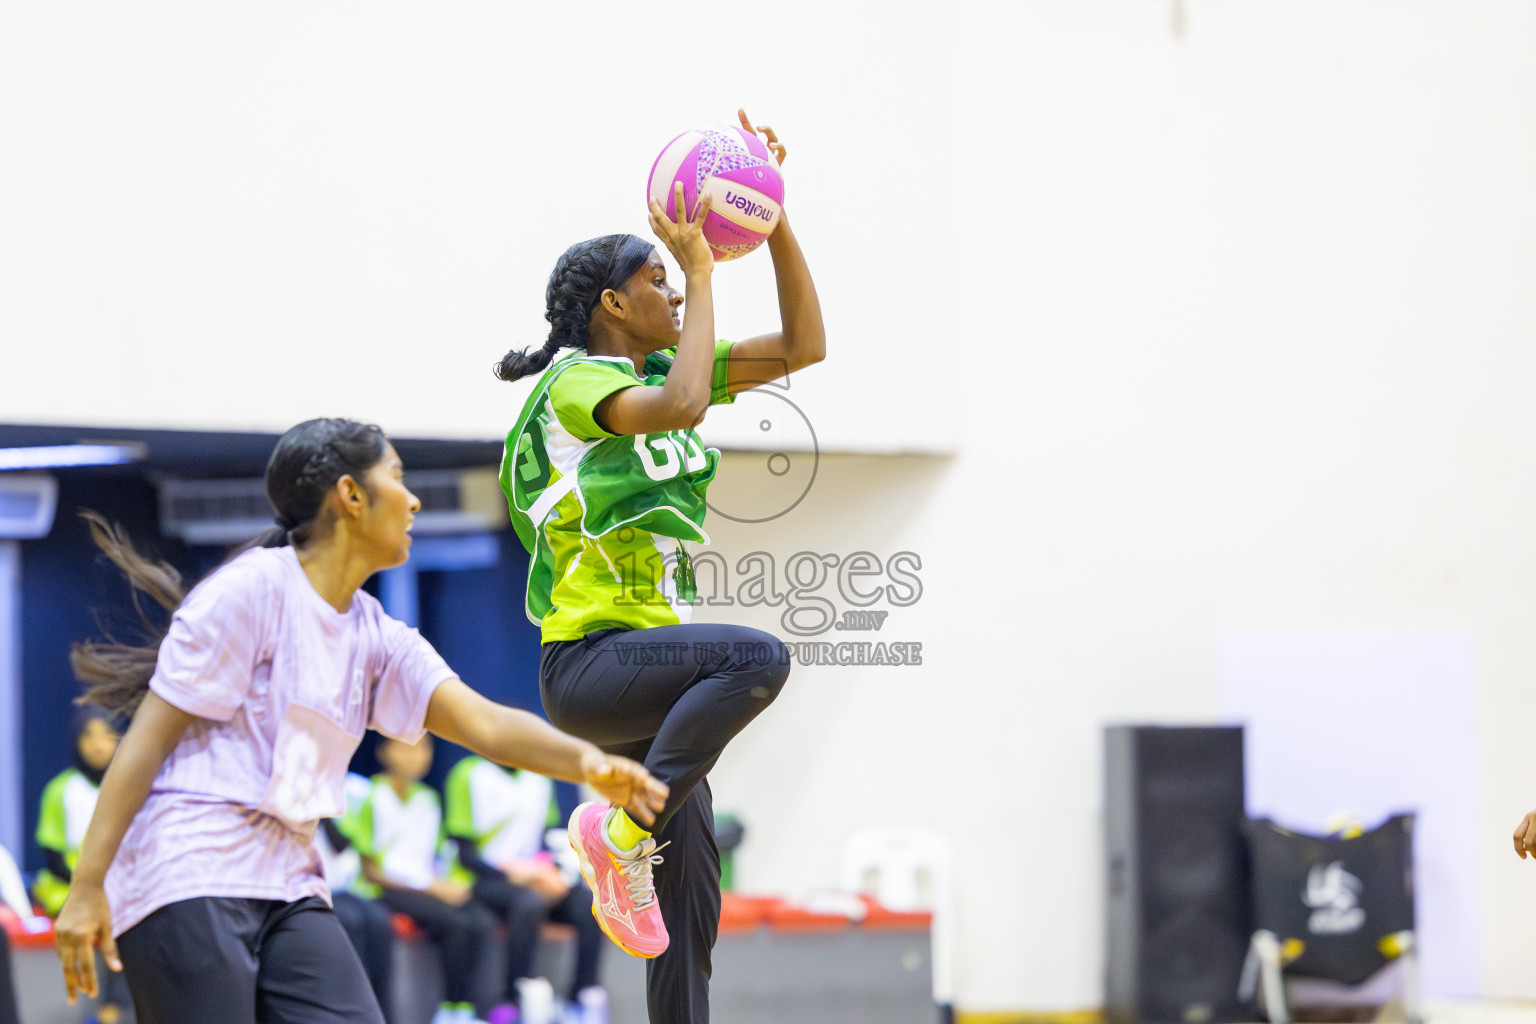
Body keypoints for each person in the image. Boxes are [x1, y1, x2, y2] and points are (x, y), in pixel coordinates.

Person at [51, 417, 668, 1024]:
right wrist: (87, 888)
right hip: (186, 872)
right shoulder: (251, 592)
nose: (415, 499)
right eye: (397, 476)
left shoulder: (376, 636)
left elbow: (484, 724)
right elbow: (146, 743)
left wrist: (587, 761)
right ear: (350, 495)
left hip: (288, 879)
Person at [492, 110, 824, 1024]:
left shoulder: (660, 364)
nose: (675, 293)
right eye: (657, 280)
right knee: (756, 659)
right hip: (596, 663)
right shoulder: (577, 384)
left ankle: (629, 845)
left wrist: (773, 214)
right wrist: (710, 268)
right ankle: (619, 830)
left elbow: (804, 346)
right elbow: (679, 403)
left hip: (650, 677)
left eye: (678, 280)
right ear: (610, 306)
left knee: (688, 918)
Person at [444, 753, 604, 1018]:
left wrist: (552, 876)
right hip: (484, 881)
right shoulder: (467, 773)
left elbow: (544, 843)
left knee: (588, 905)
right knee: (528, 904)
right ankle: (513, 1000)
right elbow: (466, 856)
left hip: (534, 877)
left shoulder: (538, 778)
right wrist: (518, 874)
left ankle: (578, 1000)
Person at [349, 735, 495, 1024]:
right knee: (454, 922)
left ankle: (474, 1009)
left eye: (422, 748)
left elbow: (436, 856)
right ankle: (451, 1010)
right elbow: (370, 870)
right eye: (405, 747)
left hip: (426, 885)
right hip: (382, 889)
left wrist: (447, 884)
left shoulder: (428, 799)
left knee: (481, 920)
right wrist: (431, 887)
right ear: (384, 752)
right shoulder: (370, 795)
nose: (415, 756)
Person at [35, 706, 134, 1024]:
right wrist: (86, 885)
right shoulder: (60, 790)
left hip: (119, 886)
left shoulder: (129, 788)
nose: (98, 744)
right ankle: (95, 1006)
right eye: (88, 735)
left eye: (107, 734)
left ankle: (119, 1005)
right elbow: (51, 856)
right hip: (68, 888)